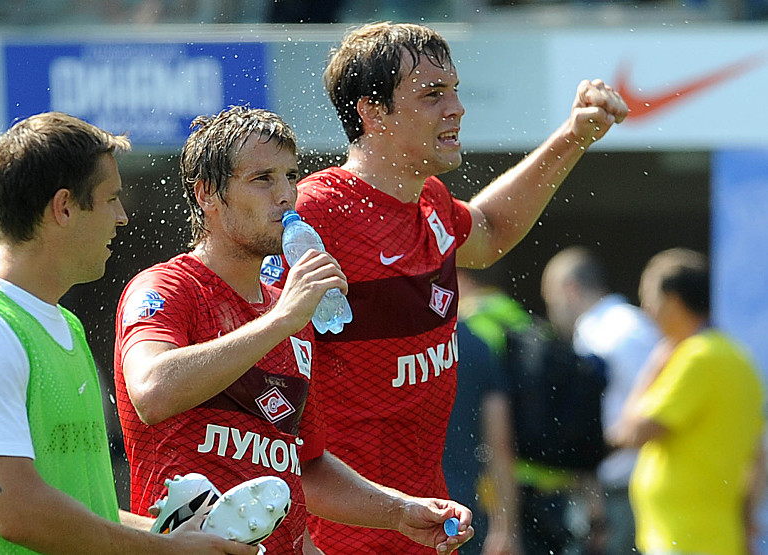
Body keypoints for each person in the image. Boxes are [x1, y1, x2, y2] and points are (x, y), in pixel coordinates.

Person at [294, 21, 628, 554]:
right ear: (373, 113)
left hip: (425, 527)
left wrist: (573, 137)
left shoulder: (429, 200)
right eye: (432, 94)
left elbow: (490, 231)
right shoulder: (316, 213)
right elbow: (263, 383)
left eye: (454, 90)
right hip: (338, 539)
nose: (457, 108)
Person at [113, 106, 474, 555]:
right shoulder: (169, 287)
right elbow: (151, 391)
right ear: (207, 193)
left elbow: (304, 466)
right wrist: (282, 318)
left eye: (291, 176)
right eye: (263, 178)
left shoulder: (291, 316)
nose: (286, 195)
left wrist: (399, 511)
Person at [0, 112, 259, 554]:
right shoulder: (3, 330)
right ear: (64, 208)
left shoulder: (66, 325)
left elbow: (84, 508)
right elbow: (17, 510)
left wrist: (170, 535)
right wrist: (167, 552)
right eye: (111, 199)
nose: (121, 217)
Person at [608, 248, 766, 555]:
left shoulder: (697, 358)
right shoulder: (738, 358)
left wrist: (655, 365)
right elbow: (758, 456)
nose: (646, 310)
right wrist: (745, 521)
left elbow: (632, 431)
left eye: (648, 299)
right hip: (717, 537)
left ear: (671, 301)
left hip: (685, 538)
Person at [540, 246, 660, 554]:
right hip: (624, 486)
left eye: (550, 300)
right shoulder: (626, 325)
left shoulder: (610, 333)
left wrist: (603, 450)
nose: (551, 312)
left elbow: (652, 407)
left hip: (623, 492)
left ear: (569, 289)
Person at [443, 270, 520, 555]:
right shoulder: (477, 345)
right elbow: (499, 445)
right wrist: (505, 527)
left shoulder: (390, 344)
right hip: (464, 514)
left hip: (401, 508)